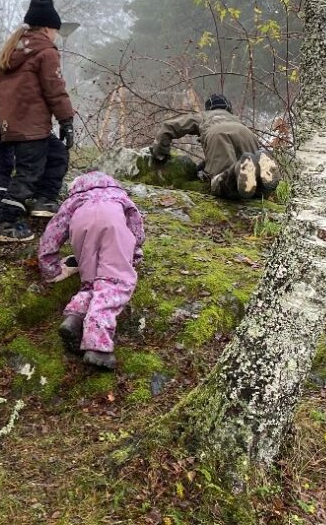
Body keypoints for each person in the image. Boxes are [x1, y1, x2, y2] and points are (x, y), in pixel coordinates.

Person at [0, 0, 76, 243]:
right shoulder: (46, 53)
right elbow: (54, 88)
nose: (56, 36)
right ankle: (5, 222)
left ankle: (44, 201)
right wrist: (66, 120)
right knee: (28, 173)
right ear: (48, 28)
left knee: (57, 154)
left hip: (13, 125)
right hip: (32, 125)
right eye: (55, 31)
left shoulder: (11, 52)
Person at [38, 172, 145, 370]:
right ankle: (97, 347)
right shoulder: (119, 196)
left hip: (82, 231)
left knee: (93, 281)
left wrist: (50, 267)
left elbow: (52, 233)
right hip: (113, 228)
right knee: (114, 282)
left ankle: (75, 318)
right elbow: (136, 227)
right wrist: (135, 251)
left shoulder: (74, 200)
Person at [149, 93, 281, 199]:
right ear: (228, 108)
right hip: (247, 134)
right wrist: (201, 167)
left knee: (221, 181)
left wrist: (159, 153)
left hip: (217, 134)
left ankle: (237, 172)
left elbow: (169, 127)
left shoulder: (203, 116)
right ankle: (262, 178)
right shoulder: (235, 118)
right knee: (253, 172)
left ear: (208, 109)